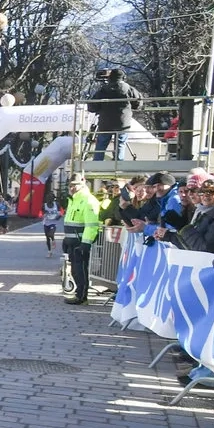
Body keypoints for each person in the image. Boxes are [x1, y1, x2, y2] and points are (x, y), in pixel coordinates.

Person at [87, 68, 142, 161]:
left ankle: (97, 164)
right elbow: (138, 103)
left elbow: (92, 106)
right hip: (123, 123)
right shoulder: (129, 89)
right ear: (123, 77)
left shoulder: (103, 90)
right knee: (120, 143)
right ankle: (119, 164)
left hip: (105, 122)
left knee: (101, 144)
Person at [63, 175, 100, 305]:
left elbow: (92, 225)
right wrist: (66, 239)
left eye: (75, 185)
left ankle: (82, 297)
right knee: (74, 270)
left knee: (80, 270)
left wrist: (85, 243)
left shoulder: (89, 201)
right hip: (72, 242)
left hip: (80, 243)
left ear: (83, 184)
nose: (72, 188)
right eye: (70, 185)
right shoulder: (73, 200)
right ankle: (78, 294)